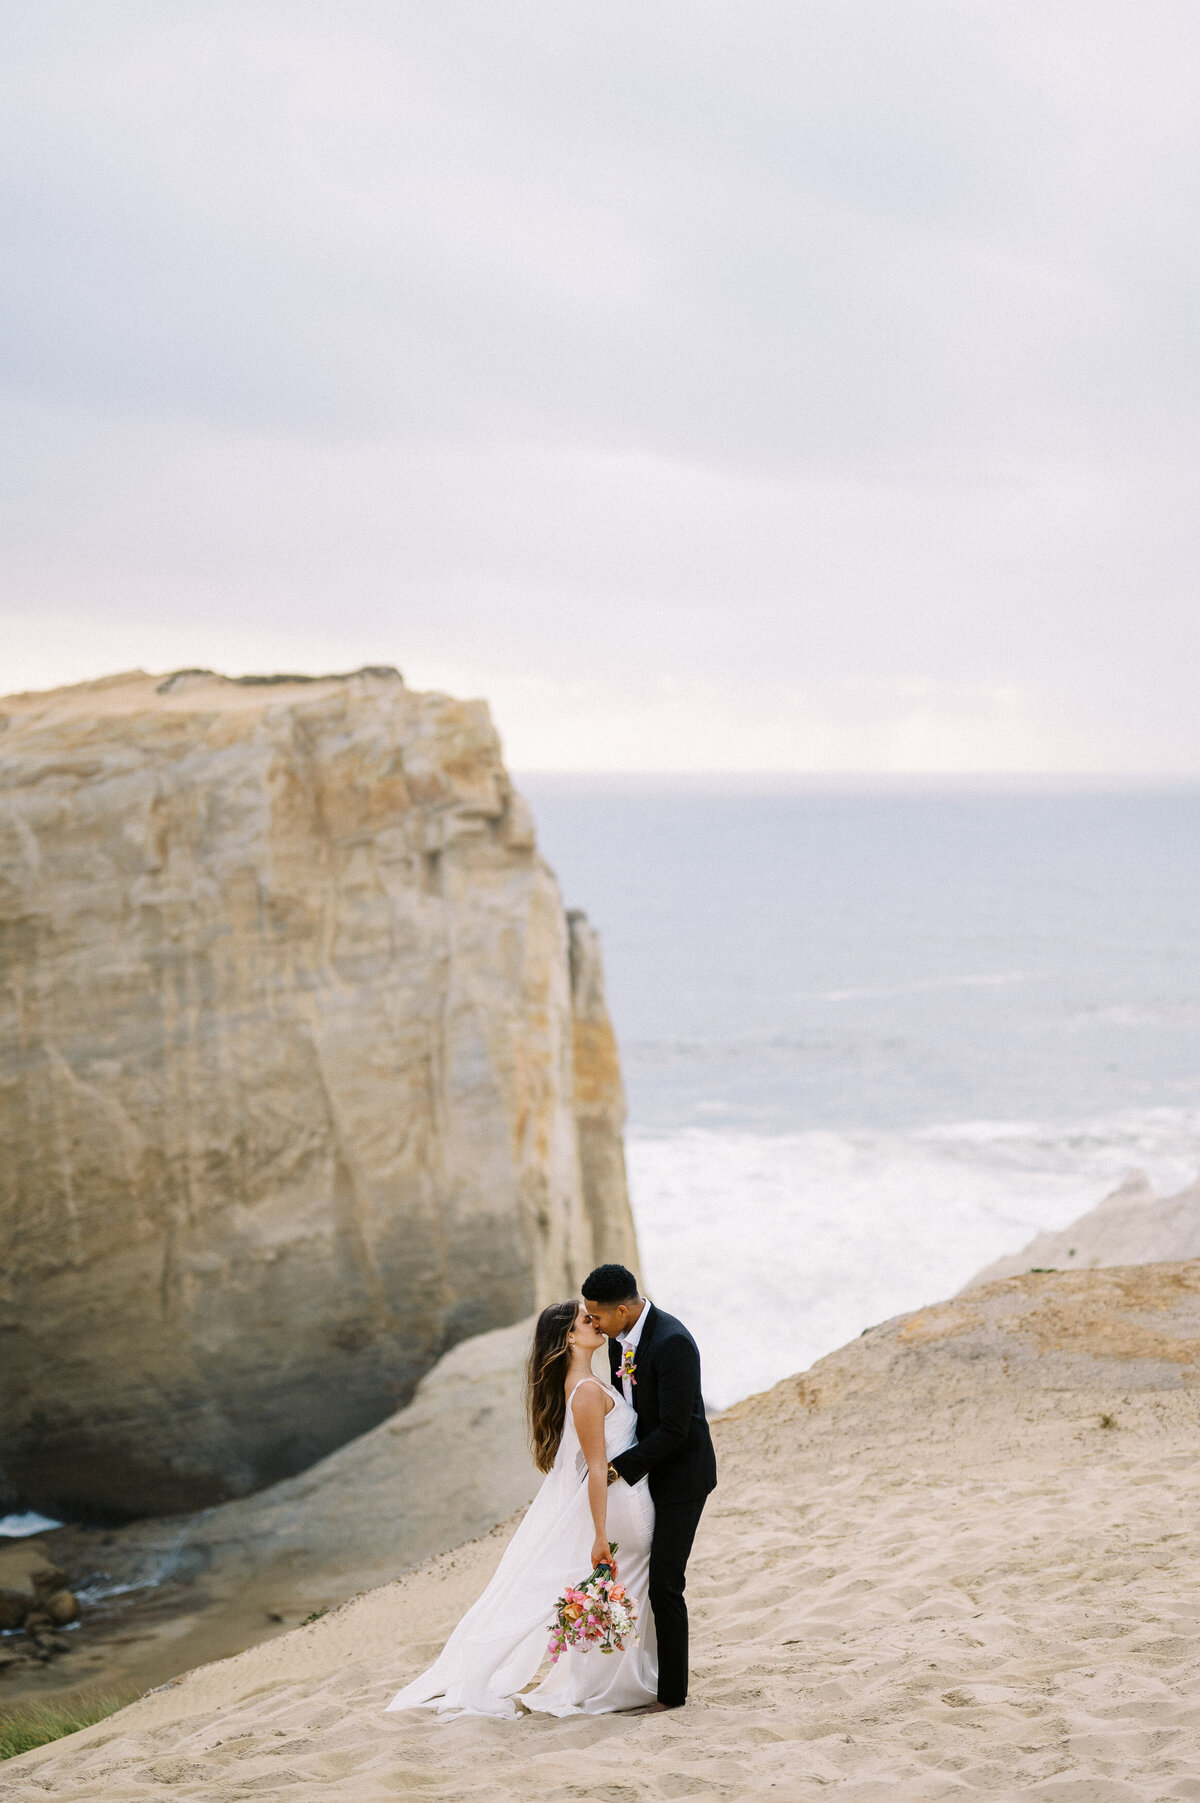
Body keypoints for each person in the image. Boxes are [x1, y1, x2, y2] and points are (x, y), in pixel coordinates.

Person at [384, 1299, 657, 1718]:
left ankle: (616, 1683)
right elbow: (597, 1467)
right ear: (569, 1336)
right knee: (627, 1591)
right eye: (588, 1320)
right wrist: (600, 1534)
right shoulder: (584, 1391)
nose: (597, 1324)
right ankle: (612, 1687)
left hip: (625, 1498)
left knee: (628, 1592)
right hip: (621, 1505)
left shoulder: (587, 1382)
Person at [582, 1263, 717, 1712]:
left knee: (665, 1583)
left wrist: (616, 1468)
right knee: (641, 1576)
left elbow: (677, 1429)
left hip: (682, 1477)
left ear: (622, 1310)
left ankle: (672, 1695)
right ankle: (639, 1675)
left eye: (597, 1317)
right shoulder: (619, 1341)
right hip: (645, 1474)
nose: (594, 1326)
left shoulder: (672, 1342)